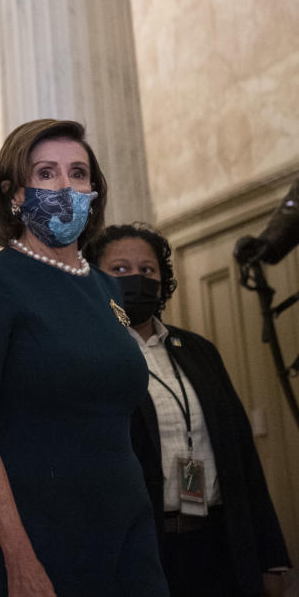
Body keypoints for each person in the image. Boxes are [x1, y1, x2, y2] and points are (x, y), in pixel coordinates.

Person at [0, 119, 167, 596]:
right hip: (38, 534)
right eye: (46, 173)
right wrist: (18, 556)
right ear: (15, 193)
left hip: (126, 528)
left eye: (78, 173)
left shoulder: (107, 288)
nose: (66, 186)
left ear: (94, 191)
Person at [86, 222, 292, 596]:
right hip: (143, 553)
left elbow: (242, 456)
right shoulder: (89, 357)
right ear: (95, 279)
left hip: (219, 541)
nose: (137, 278)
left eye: (148, 270)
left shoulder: (198, 350)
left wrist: (272, 557)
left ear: (163, 280)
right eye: (120, 269)